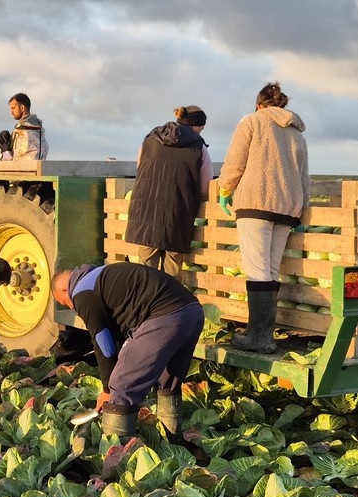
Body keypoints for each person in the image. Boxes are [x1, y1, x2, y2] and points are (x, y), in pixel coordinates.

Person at [52, 262, 204, 438]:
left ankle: (117, 458)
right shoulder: (102, 276)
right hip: (192, 312)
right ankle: (170, 441)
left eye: (65, 303)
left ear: (65, 289)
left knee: (121, 387)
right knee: (168, 379)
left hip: (164, 317)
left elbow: (103, 344)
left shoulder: (81, 292)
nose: (72, 308)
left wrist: (108, 390)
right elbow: (117, 337)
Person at [217, 81, 310, 353]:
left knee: (257, 269)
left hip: (256, 203)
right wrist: (302, 205)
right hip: (288, 208)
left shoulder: (252, 121)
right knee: (270, 270)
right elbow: (304, 175)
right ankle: (263, 334)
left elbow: (235, 162)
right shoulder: (297, 134)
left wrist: (225, 188)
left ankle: (258, 336)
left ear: (259, 105)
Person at [124, 105, 210, 278]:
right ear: (195, 126)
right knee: (172, 270)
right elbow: (205, 186)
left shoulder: (151, 139)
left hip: (147, 210)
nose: (200, 133)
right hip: (177, 213)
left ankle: (146, 302)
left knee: (146, 268)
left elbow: (141, 166)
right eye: (201, 128)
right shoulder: (199, 147)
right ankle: (169, 303)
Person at [8, 92, 49, 160]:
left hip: (24, 168)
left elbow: (16, 156)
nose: (11, 112)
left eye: (13, 108)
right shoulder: (39, 129)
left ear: (22, 108)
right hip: (40, 168)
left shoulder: (22, 129)